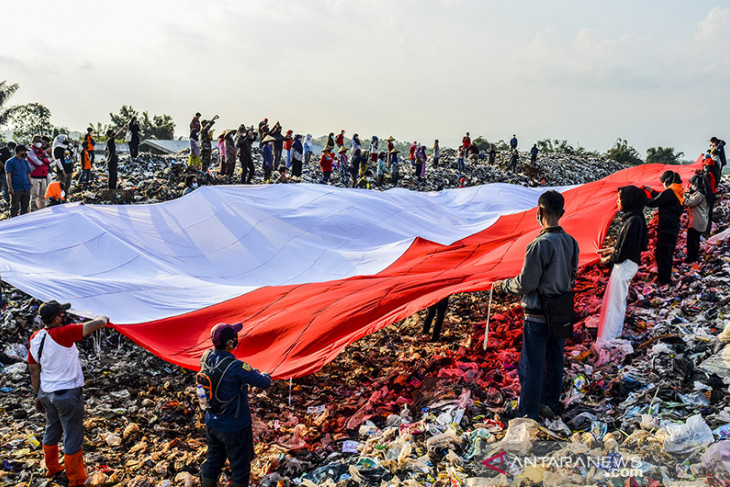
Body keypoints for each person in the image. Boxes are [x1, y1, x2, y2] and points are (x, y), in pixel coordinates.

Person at [492, 191, 579, 420]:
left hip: (537, 314)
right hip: (560, 312)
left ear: (538, 212)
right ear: (562, 213)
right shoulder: (571, 242)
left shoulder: (538, 245)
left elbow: (526, 283)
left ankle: (528, 412)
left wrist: (503, 286)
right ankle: (548, 404)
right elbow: (572, 277)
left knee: (532, 366)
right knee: (554, 362)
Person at [28, 300, 110, 485]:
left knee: (52, 428)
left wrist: (36, 395)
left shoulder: (35, 338)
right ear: (57, 318)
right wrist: (104, 317)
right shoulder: (63, 333)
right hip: (67, 393)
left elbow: (34, 369)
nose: (64, 316)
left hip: (46, 393)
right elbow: (97, 324)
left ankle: (52, 467)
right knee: (72, 434)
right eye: (61, 314)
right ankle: (76, 478)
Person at [199, 323, 271, 487]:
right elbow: (263, 382)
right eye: (234, 337)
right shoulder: (235, 367)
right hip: (235, 427)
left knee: (213, 460)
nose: (237, 339)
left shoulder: (206, 357)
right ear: (230, 343)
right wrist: (266, 373)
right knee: (240, 466)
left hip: (212, 422)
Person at [596, 186, 648, 343]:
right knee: (615, 301)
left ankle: (608, 337)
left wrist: (606, 260)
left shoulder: (633, 221)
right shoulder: (634, 218)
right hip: (627, 263)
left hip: (625, 264)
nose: (618, 201)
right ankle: (611, 334)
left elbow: (623, 252)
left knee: (614, 303)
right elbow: (625, 245)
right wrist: (608, 249)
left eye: (621, 198)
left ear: (629, 200)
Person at [645, 171, 684, 285]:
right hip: (673, 225)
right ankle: (666, 276)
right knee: (668, 252)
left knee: (662, 253)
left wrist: (640, 197)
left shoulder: (670, 191)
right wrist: (651, 191)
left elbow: (654, 202)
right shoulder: (678, 189)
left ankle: (663, 279)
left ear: (667, 181)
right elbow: (662, 199)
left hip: (667, 226)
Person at [684, 175, 710, 263]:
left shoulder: (699, 194)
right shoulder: (703, 193)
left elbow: (690, 202)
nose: (691, 186)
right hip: (701, 220)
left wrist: (682, 196)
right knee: (695, 239)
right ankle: (694, 256)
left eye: (692, 184)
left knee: (692, 240)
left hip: (697, 220)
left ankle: (692, 258)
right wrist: (688, 194)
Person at [5, 144, 32, 217]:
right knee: (14, 206)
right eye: (24, 152)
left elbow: (28, 173)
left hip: (26, 187)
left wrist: (30, 183)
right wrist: (10, 187)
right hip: (16, 187)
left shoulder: (25, 162)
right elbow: (8, 175)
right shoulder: (10, 162)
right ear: (20, 151)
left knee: (25, 206)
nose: (25, 153)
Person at [28, 135, 51, 211]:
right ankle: (34, 211)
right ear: (33, 142)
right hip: (34, 177)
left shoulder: (42, 151)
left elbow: (50, 160)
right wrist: (45, 161)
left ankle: (42, 210)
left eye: (40, 141)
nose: (39, 143)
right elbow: (37, 162)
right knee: (34, 196)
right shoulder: (30, 151)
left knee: (43, 196)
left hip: (43, 176)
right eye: (37, 141)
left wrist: (43, 159)